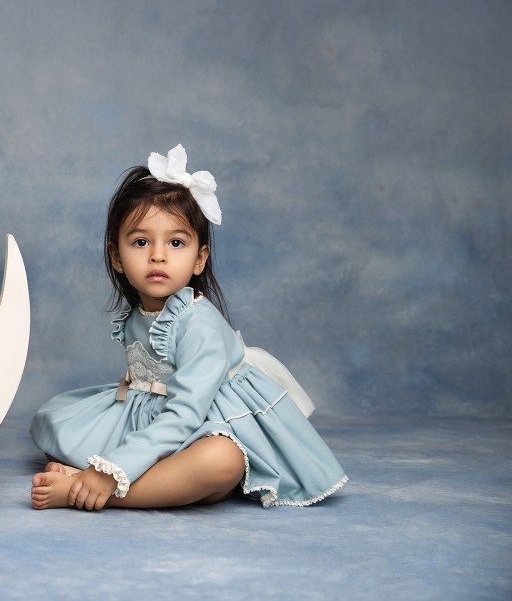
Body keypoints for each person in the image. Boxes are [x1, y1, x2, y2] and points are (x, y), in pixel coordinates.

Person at [30, 146, 347, 510]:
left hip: (207, 417)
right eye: (141, 242)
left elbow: (186, 414)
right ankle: (104, 476)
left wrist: (112, 468)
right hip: (159, 412)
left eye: (176, 243)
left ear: (199, 258)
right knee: (58, 421)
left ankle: (95, 490)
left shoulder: (199, 325)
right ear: (117, 256)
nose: (158, 255)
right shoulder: (141, 313)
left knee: (219, 462)